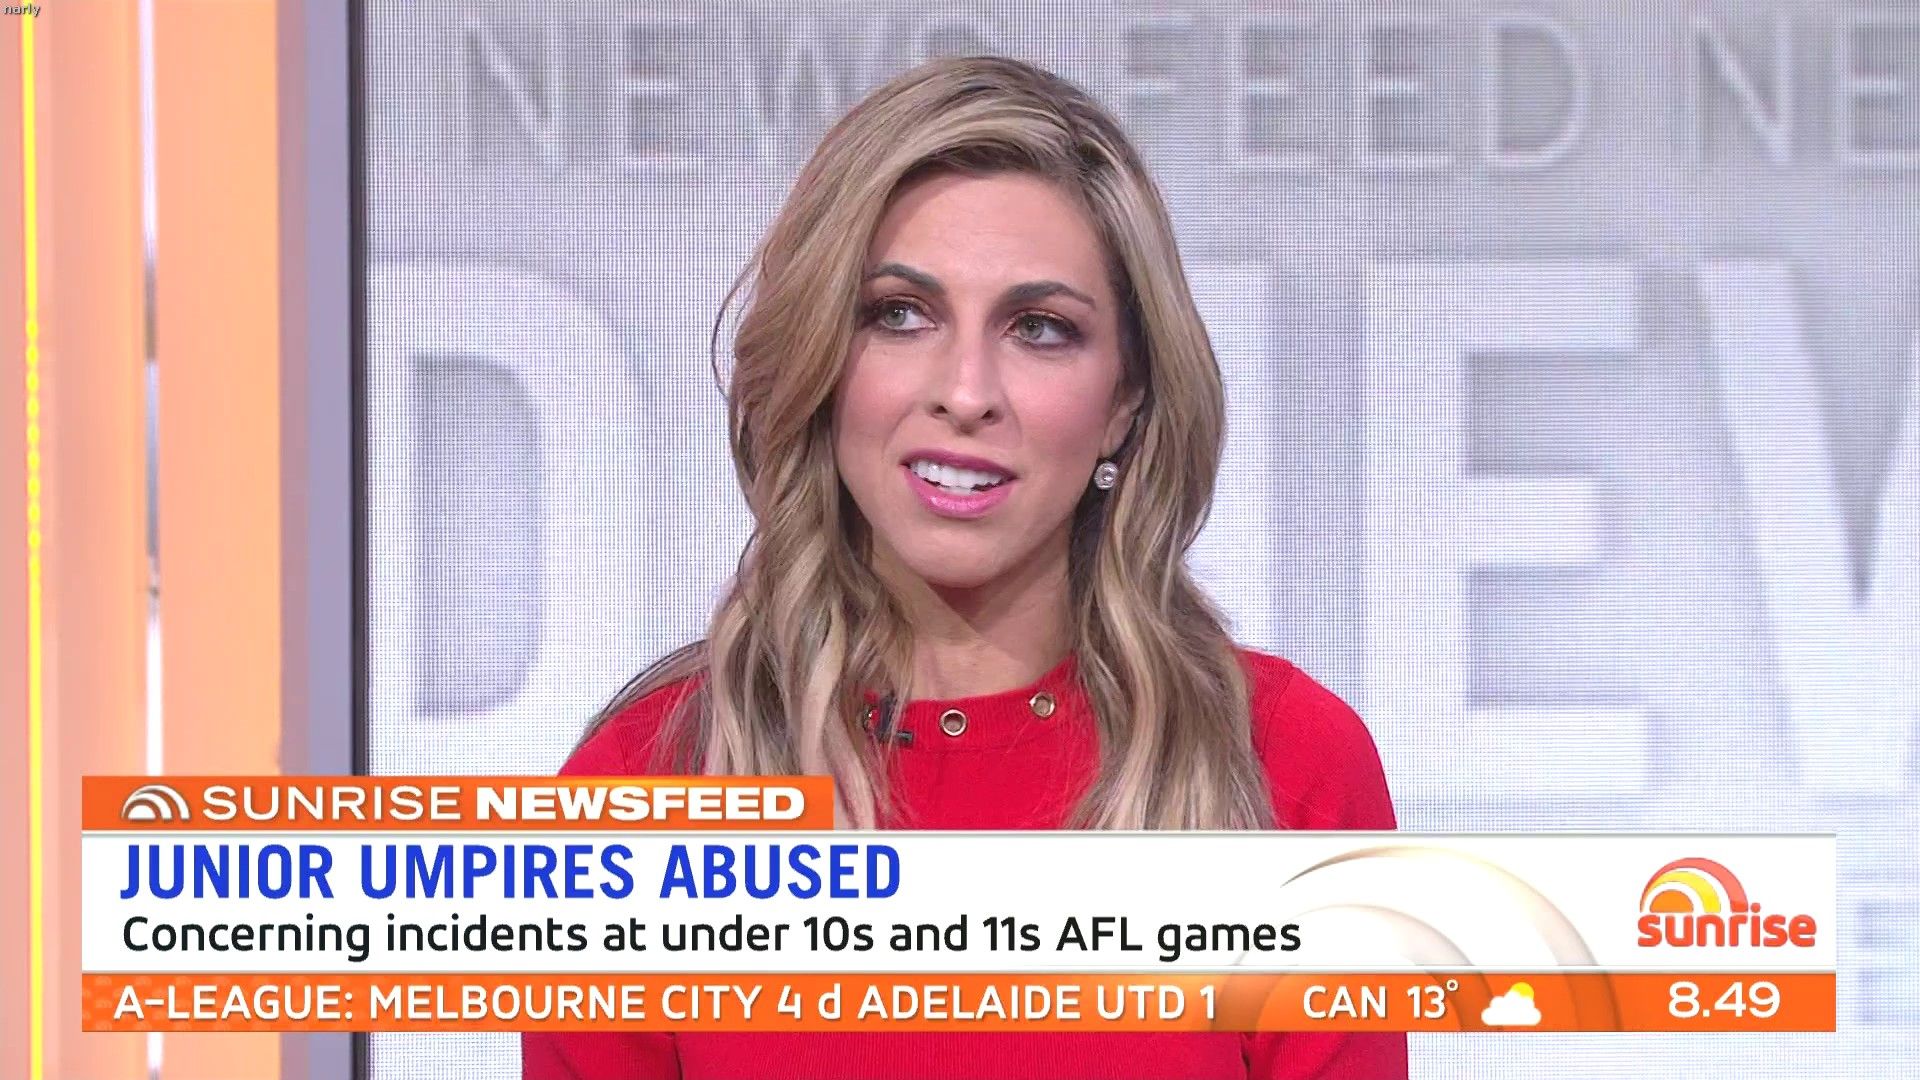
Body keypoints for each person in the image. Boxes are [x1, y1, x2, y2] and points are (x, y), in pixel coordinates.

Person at [523, 54, 1403, 1080]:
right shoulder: (644, 784)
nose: (967, 391)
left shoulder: (1287, 766)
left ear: (1124, 403)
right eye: (900, 313)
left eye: (1041, 329)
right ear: (820, 362)